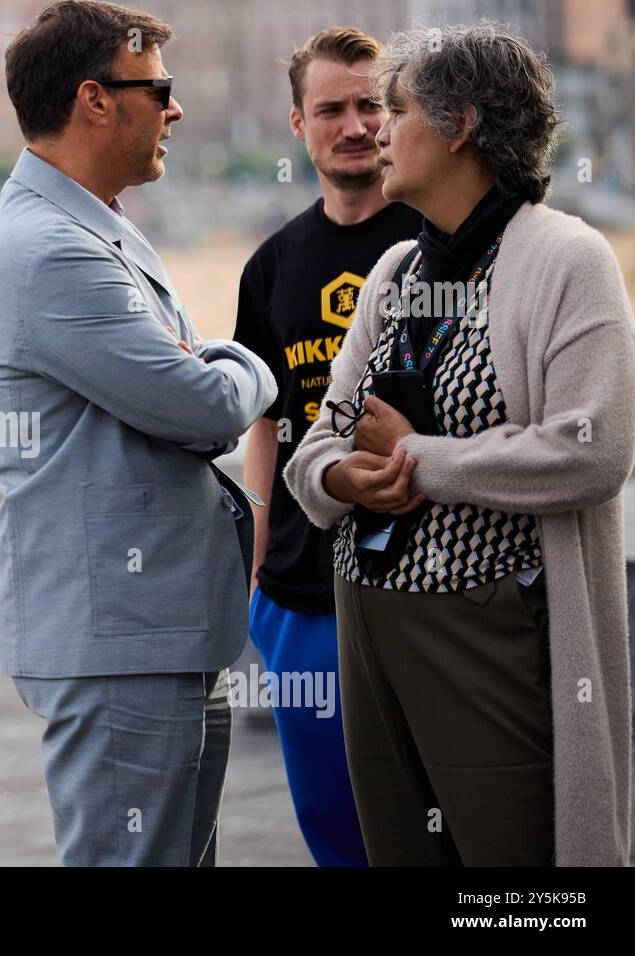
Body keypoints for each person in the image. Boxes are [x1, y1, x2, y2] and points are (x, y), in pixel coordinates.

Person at [285, 22, 635, 865]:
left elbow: (594, 451)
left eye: (394, 109)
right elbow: (316, 445)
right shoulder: (396, 269)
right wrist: (344, 478)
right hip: (367, 619)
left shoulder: (568, 259)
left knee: (512, 877)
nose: (374, 129)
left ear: (461, 125)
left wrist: (422, 461)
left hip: (491, 629)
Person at [0, 0, 276, 867]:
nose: (174, 109)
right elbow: (207, 407)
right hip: (117, 639)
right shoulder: (52, 251)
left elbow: (185, 390)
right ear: (94, 100)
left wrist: (211, 369)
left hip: (156, 630)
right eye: (160, 89)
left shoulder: (87, 228)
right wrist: (254, 368)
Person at [234, 26, 420, 868]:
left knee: (438, 815)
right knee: (332, 823)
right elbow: (264, 419)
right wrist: (259, 556)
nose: (355, 125)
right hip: (303, 592)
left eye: (371, 104)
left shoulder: (438, 244)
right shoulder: (272, 266)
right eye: (331, 109)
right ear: (298, 126)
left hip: (427, 580)